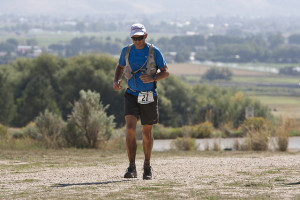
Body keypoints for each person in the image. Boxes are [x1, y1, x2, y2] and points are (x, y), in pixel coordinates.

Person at [113, 23, 169, 180]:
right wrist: (116, 80)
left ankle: (147, 166)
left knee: (146, 132)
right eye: (134, 38)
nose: (137, 41)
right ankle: (131, 167)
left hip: (148, 95)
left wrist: (153, 78)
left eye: (140, 37)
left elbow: (166, 72)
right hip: (131, 94)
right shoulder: (126, 51)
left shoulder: (154, 51)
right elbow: (120, 66)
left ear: (146, 36)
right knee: (130, 129)